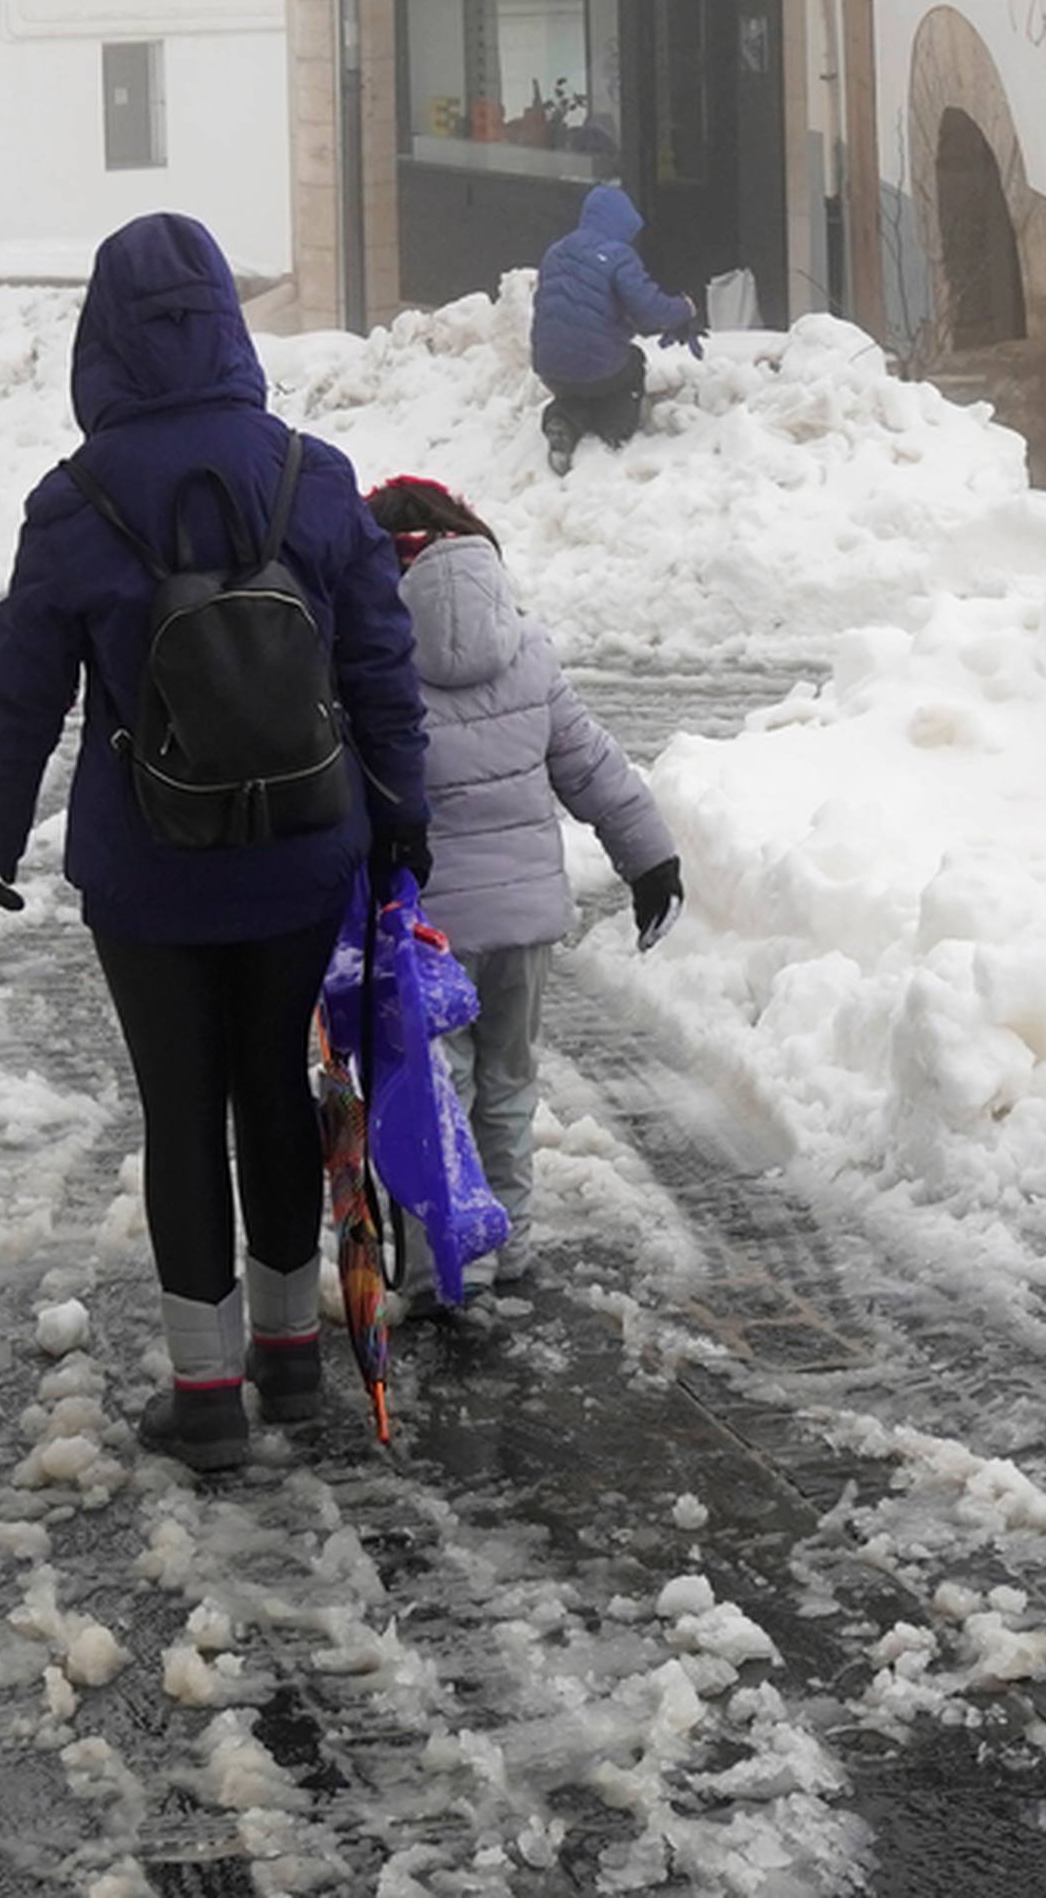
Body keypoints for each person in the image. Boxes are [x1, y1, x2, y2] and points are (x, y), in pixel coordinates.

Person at [0, 215, 428, 1476]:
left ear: (101, 339)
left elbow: (20, 690)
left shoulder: (76, 500)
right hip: (299, 850)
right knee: (278, 1085)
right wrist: (401, 808)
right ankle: (290, 1362)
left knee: (182, 1108)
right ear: (226, 322)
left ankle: (206, 1391)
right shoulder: (311, 477)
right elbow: (380, 659)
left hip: (149, 869)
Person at [362, 476, 682, 1300]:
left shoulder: (371, 658)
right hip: (524, 928)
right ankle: (514, 1248)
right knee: (508, 1085)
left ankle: (440, 1269)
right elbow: (592, 766)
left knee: (435, 1097)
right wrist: (651, 860)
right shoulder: (528, 651)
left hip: (425, 933)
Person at [530, 182, 700, 472]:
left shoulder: (556, 252)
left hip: (549, 366)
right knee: (631, 363)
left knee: (577, 385)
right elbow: (649, 311)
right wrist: (684, 309)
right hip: (598, 367)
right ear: (620, 224)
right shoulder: (618, 256)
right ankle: (613, 429)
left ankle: (563, 420)